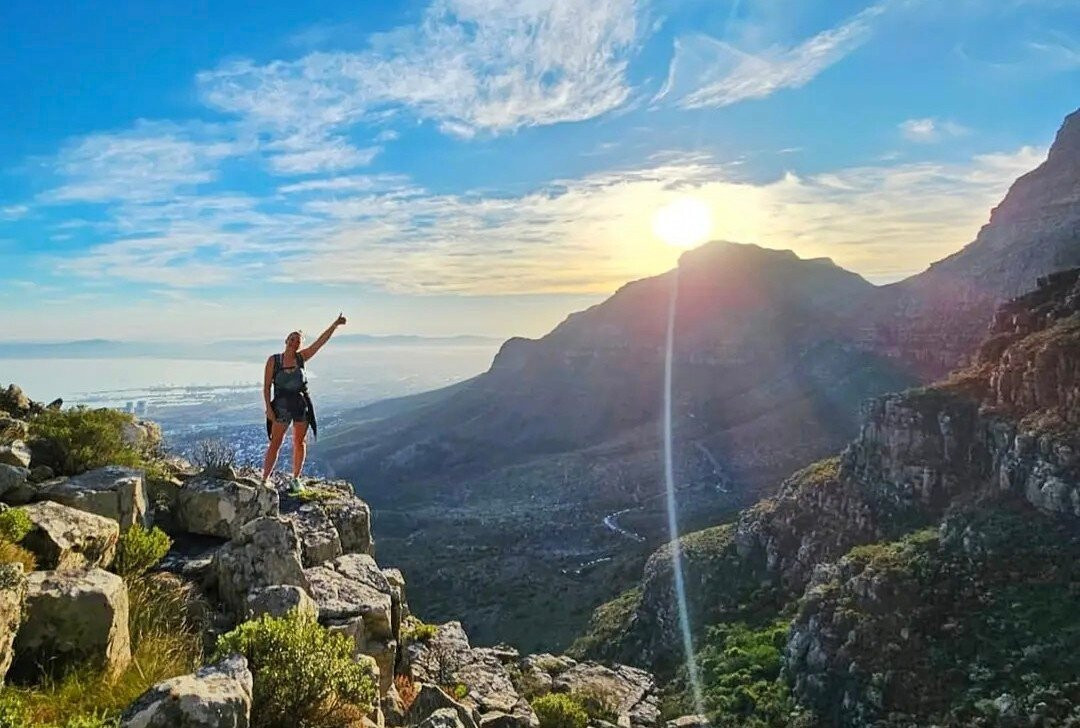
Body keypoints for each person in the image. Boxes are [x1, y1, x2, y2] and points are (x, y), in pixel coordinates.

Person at [261, 313, 347, 493]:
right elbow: (267, 386)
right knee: (276, 442)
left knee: (299, 442)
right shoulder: (274, 361)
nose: (294, 342)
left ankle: (296, 478)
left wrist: (334, 325)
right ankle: (264, 479)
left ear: (300, 344)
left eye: (297, 341)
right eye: (292, 339)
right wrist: (268, 409)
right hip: (281, 406)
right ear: (286, 340)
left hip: (300, 404)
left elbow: (320, 343)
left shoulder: (302, 358)